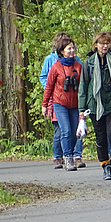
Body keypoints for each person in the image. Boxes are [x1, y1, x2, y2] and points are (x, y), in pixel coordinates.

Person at [79, 31, 111, 180]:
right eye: (102, 44)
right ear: (96, 45)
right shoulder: (88, 64)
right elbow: (83, 87)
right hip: (95, 105)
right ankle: (105, 165)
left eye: (107, 43)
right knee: (100, 137)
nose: (105, 46)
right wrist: (81, 109)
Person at [40, 33, 85, 169]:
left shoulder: (78, 66)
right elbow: (49, 86)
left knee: (73, 133)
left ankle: (70, 153)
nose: (72, 51)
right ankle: (68, 158)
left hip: (75, 104)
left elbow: (84, 86)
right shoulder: (56, 67)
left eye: (73, 48)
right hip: (60, 103)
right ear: (61, 51)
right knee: (65, 130)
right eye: (69, 49)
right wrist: (45, 105)